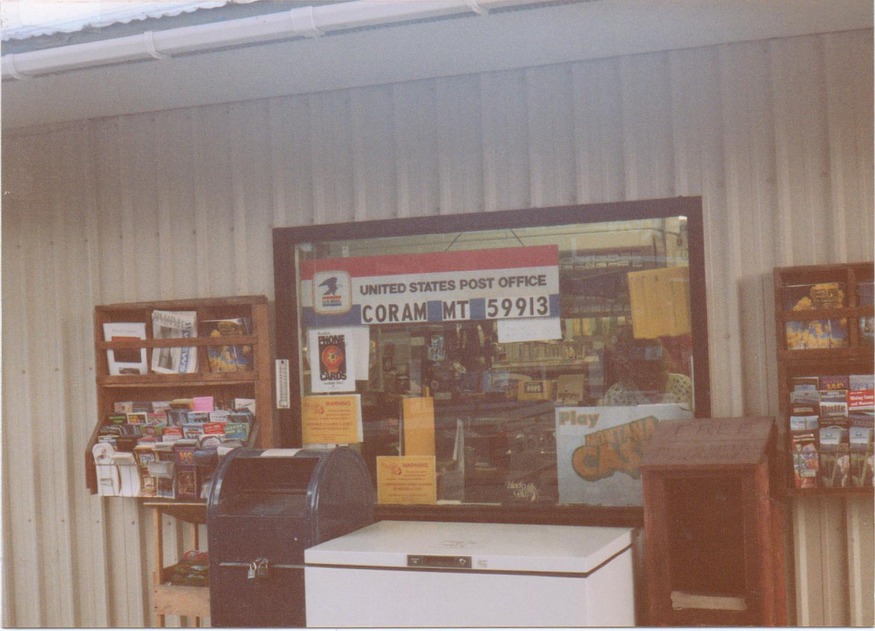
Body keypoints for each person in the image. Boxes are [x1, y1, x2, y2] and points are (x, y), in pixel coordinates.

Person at [601, 327, 693, 409]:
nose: (647, 362)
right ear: (625, 363)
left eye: (652, 353)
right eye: (639, 356)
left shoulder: (684, 385)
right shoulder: (617, 395)